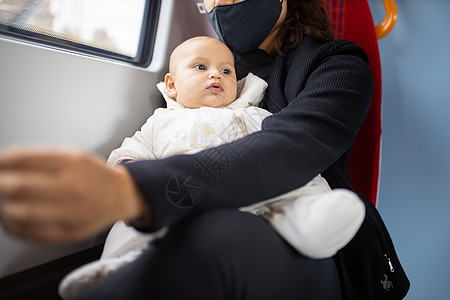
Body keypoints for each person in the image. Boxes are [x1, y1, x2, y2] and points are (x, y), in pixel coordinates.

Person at [0, 0, 409, 299]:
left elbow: (294, 146)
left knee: (219, 236)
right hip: (198, 214)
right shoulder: (204, 71)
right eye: (205, 0)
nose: (214, 6)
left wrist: (135, 189)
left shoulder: (337, 63)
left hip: (309, 240)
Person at [57, 36, 364, 299]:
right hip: (172, 205)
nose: (216, 75)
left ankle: (315, 224)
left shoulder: (253, 114)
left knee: (294, 200)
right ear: (172, 86)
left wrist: (315, 193)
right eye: (201, 67)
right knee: (130, 226)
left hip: (253, 202)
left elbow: (288, 155)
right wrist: (126, 173)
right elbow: (130, 152)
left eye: (226, 71)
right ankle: (119, 266)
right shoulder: (161, 122)